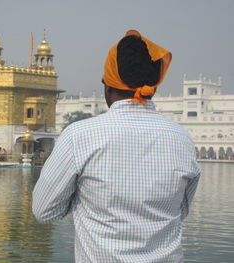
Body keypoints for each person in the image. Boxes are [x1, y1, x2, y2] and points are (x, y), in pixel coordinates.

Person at [32, 30, 201, 263]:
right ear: (154, 85)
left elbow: (44, 212)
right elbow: (180, 212)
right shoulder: (182, 138)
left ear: (107, 85)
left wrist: (83, 198)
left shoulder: (79, 136)